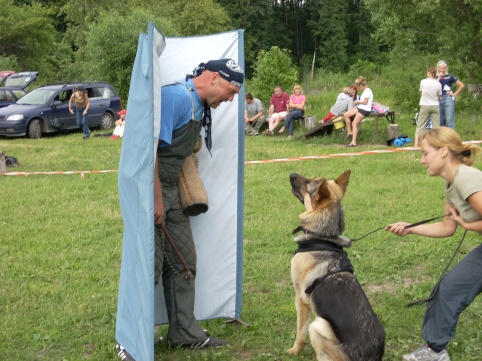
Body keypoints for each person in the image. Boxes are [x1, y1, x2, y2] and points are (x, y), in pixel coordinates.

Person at [154, 59, 243, 350]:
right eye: (231, 91)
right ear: (215, 78)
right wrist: (155, 199)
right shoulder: (176, 96)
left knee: (183, 261)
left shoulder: (197, 104)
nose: (230, 99)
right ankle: (133, 337)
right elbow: (147, 151)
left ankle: (184, 333)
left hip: (172, 190)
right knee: (149, 266)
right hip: (152, 189)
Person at [386, 127, 482, 361]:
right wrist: (410, 228)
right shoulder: (452, 183)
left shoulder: (466, 178)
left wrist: (469, 226)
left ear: (443, 152)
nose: (421, 160)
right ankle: (434, 351)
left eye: (425, 153)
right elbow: (447, 228)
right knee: (449, 287)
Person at [415, 67, 442, 147]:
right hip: (435, 105)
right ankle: (437, 144)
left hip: (425, 105)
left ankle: (416, 145)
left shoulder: (423, 82)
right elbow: (439, 96)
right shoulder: (438, 84)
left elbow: (421, 92)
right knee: (436, 127)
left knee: (420, 126)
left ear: (429, 73)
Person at [343, 76, 373, 147]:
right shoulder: (365, 91)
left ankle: (353, 142)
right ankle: (350, 132)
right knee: (346, 115)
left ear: (361, 85)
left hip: (365, 109)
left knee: (354, 123)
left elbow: (365, 102)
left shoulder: (367, 91)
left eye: (359, 87)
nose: (359, 89)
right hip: (360, 107)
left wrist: (357, 102)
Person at [437, 60, 465, 129]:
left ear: (446, 68)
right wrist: (439, 78)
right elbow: (433, 86)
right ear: (438, 68)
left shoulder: (449, 76)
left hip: (447, 98)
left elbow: (461, 85)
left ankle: (452, 138)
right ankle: (441, 139)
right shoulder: (435, 77)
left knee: (449, 121)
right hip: (438, 99)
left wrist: (454, 94)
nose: (442, 70)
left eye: (444, 68)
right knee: (440, 121)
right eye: (441, 68)